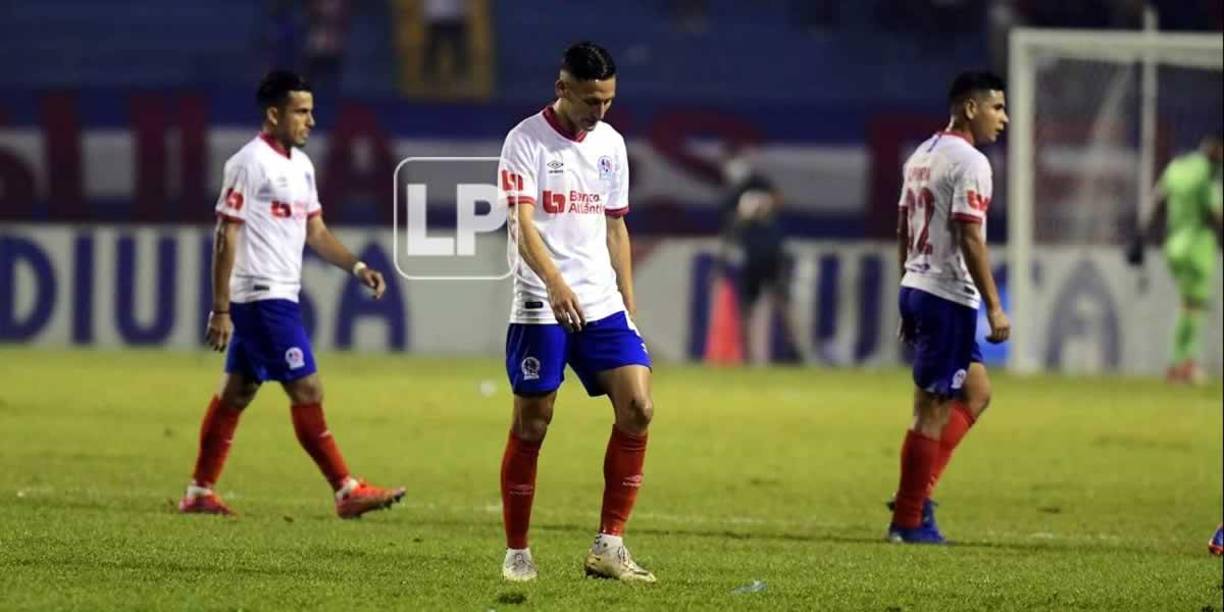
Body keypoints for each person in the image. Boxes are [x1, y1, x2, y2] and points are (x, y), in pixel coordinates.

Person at [177, 70, 405, 518]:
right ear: (274, 113)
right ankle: (345, 490)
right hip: (261, 296)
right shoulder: (248, 163)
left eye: (312, 111)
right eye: (301, 111)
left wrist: (356, 266)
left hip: (278, 295)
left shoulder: (301, 167)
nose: (310, 120)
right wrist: (220, 308)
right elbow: (227, 235)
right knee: (307, 388)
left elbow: (315, 232)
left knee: (236, 393)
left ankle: (200, 492)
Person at [496, 42, 656, 583]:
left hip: (601, 301)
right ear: (562, 89)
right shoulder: (524, 141)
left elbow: (615, 226)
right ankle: (518, 550)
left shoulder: (611, 143)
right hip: (542, 300)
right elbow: (521, 226)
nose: (600, 112)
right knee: (534, 423)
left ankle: (609, 545)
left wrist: (628, 305)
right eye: (591, 100)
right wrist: (556, 282)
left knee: (638, 407)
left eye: (608, 100)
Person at [888, 71, 1010, 544]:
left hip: (918, 285)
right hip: (946, 294)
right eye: (997, 107)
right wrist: (995, 307)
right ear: (970, 108)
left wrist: (906, 290)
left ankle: (917, 497)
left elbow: (902, 226)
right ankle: (908, 521)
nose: (1004, 118)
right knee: (932, 409)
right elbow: (969, 235)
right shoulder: (971, 161)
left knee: (976, 393)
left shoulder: (921, 155)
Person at [1126, 130, 1223, 384]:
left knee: (1187, 304)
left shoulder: (1177, 167)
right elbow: (1215, 213)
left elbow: (1157, 200)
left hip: (1173, 244)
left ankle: (1177, 364)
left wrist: (1140, 236)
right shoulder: (1208, 175)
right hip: (1197, 246)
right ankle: (1185, 363)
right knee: (1194, 306)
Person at [719, 147, 804, 363]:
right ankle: (748, 353)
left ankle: (795, 349)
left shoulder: (759, 182)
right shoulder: (732, 193)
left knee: (782, 301)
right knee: (748, 306)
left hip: (771, 252)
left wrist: (760, 207)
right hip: (752, 255)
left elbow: (779, 200)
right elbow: (731, 226)